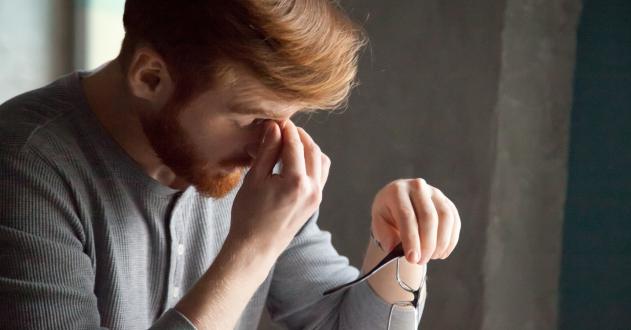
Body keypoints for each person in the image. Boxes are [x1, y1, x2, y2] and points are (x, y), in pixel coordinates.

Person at [0, 1, 461, 329]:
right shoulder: (23, 164)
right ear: (150, 76)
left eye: (286, 118)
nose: (271, 144)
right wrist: (253, 246)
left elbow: (338, 323)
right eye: (252, 118)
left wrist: (397, 248)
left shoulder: (244, 166)